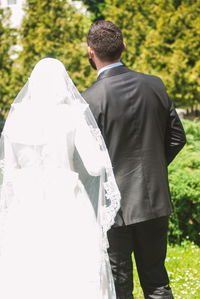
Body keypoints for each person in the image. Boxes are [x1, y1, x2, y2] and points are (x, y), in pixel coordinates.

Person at [82, 20, 186, 299]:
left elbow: (87, 162)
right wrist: (153, 168)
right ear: (124, 46)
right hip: (155, 200)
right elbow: (177, 138)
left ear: (90, 52)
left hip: (114, 209)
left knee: (119, 285)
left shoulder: (89, 100)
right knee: (157, 281)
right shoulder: (154, 84)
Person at [0, 58, 121, 299]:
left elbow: (9, 172)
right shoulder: (72, 115)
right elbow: (96, 167)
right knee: (72, 274)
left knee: (27, 274)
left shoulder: (17, 118)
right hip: (65, 198)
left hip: (24, 203)